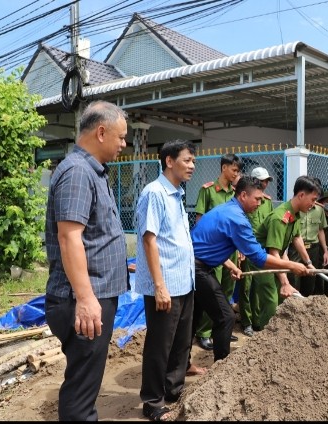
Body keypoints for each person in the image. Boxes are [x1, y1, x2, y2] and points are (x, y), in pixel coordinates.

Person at [44, 100, 129, 421]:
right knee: (81, 394)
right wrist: (86, 299)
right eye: (121, 137)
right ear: (102, 131)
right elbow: (69, 238)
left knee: (85, 383)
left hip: (92, 296)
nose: (124, 144)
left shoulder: (91, 172)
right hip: (84, 301)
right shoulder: (78, 172)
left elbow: (92, 235)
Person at [191, 175, 309, 361]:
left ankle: (184, 364)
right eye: (257, 199)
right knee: (226, 316)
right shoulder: (238, 219)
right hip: (197, 269)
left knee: (193, 318)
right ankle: (221, 366)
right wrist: (291, 265)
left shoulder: (226, 209)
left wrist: (230, 264)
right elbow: (259, 257)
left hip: (195, 265)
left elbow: (211, 245)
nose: (260, 203)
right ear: (243, 195)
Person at [134, 140, 196, 421]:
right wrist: (159, 286)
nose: (192, 166)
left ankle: (174, 389)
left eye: (193, 161)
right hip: (166, 284)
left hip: (185, 282)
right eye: (187, 160)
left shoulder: (177, 194)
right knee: (160, 344)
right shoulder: (154, 193)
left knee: (181, 342)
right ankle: (152, 400)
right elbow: (150, 240)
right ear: (169, 161)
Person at [251, 175, 321, 330]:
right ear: (301, 195)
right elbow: (273, 252)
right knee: (270, 301)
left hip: (276, 257)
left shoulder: (294, 214)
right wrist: (285, 282)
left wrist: (308, 263)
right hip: (263, 259)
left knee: (283, 299)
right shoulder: (280, 217)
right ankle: (263, 338)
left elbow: (296, 238)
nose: (314, 204)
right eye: (313, 199)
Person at [193, 153, 242, 351]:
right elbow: (200, 221)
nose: (236, 174)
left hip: (229, 250)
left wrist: (238, 249)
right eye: (234, 170)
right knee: (212, 291)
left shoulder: (235, 193)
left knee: (228, 291)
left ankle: (221, 331)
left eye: (238, 171)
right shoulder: (208, 191)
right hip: (213, 251)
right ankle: (203, 333)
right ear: (224, 168)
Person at [239, 167, 274, 337]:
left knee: (260, 286)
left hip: (261, 250)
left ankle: (259, 321)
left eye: (267, 181)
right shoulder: (244, 200)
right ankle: (246, 322)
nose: (266, 184)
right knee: (246, 286)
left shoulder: (267, 201)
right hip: (246, 248)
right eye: (263, 180)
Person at [287, 184, 328, 297]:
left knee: (310, 280)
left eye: (315, 199)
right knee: (293, 279)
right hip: (296, 249)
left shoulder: (319, 209)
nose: (313, 202)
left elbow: (320, 230)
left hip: (313, 248)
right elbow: (295, 236)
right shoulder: (293, 209)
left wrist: (325, 250)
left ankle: (306, 305)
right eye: (313, 198)